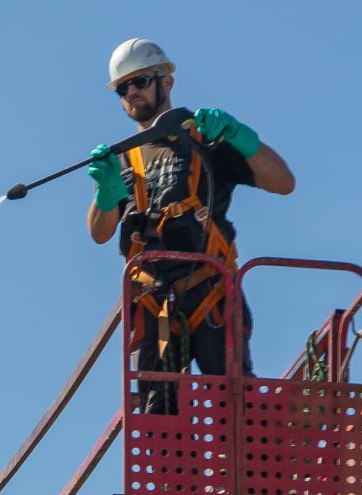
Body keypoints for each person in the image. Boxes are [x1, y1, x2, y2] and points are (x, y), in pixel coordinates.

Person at [86, 38, 296, 412]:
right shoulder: (122, 161)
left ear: (166, 81)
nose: (132, 91)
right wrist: (106, 192)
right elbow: (100, 232)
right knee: (156, 417)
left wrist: (240, 137)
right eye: (123, 87)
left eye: (141, 81)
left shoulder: (203, 140)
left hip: (209, 289)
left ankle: (243, 467)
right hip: (153, 301)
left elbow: (282, 182)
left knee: (234, 405)